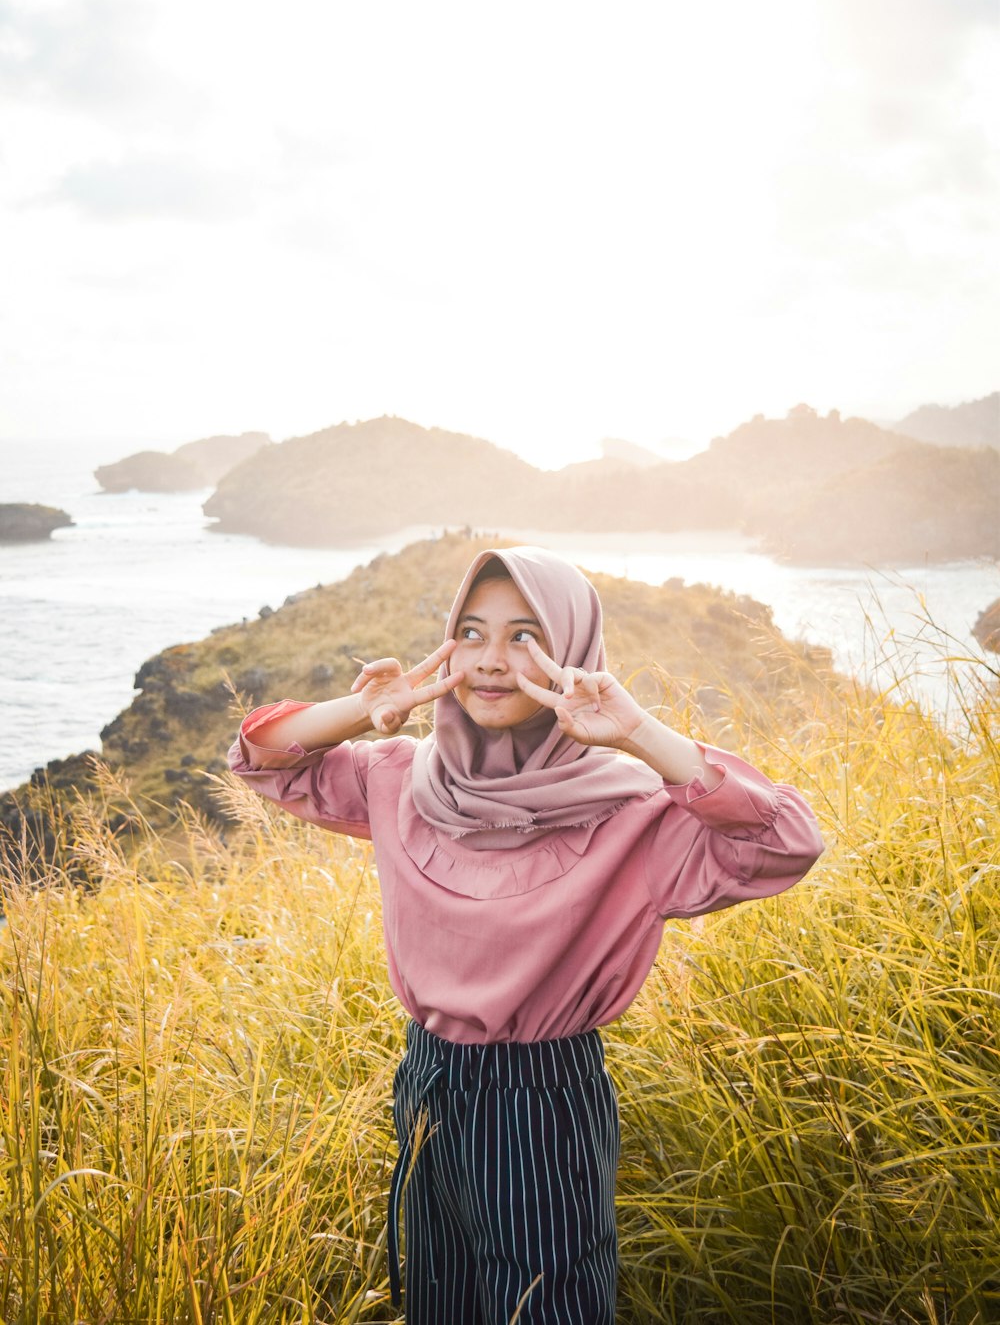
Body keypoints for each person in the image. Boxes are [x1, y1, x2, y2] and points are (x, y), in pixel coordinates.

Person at [229, 546, 824, 1325]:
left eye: (524, 637)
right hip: (428, 1077)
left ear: (570, 653)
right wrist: (368, 707)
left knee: (545, 1308)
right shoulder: (403, 776)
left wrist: (637, 732)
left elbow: (785, 842)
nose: (490, 662)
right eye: (471, 634)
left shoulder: (633, 812)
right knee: (443, 1303)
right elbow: (265, 759)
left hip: (543, 1099)